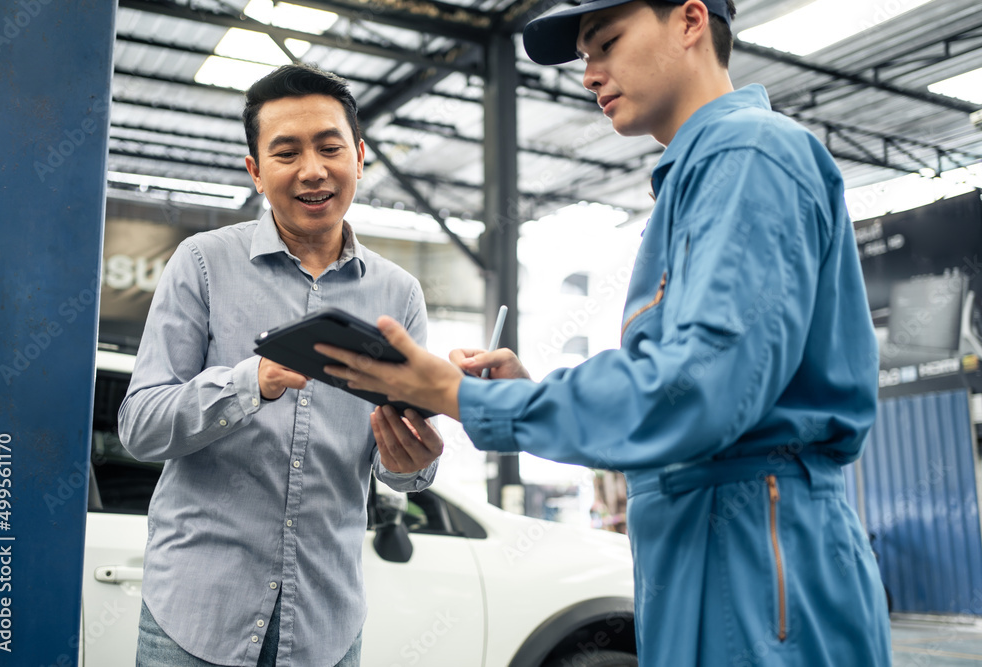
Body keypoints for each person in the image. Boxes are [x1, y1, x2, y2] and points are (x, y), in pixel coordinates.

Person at [316, 0, 893, 664]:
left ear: (690, 21)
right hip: (704, 554)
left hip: (759, 565)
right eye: (585, 57)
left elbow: (699, 392)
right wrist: (531, 393)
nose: (590, 74)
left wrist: (464, 396)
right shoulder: (694, 182)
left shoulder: (750, 154)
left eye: (606, 43)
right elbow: (673, 419)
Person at [118, 63, 443, 667]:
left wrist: (413, 463)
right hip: (195, 616)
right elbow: (140, 426)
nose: (313, 170)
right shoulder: (203, 263)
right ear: (256, 172)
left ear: (360, 156)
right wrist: (254, 381)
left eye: (329, 147)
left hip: (324, 624)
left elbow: (398, 471)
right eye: (286, 152)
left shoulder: (398, 296)